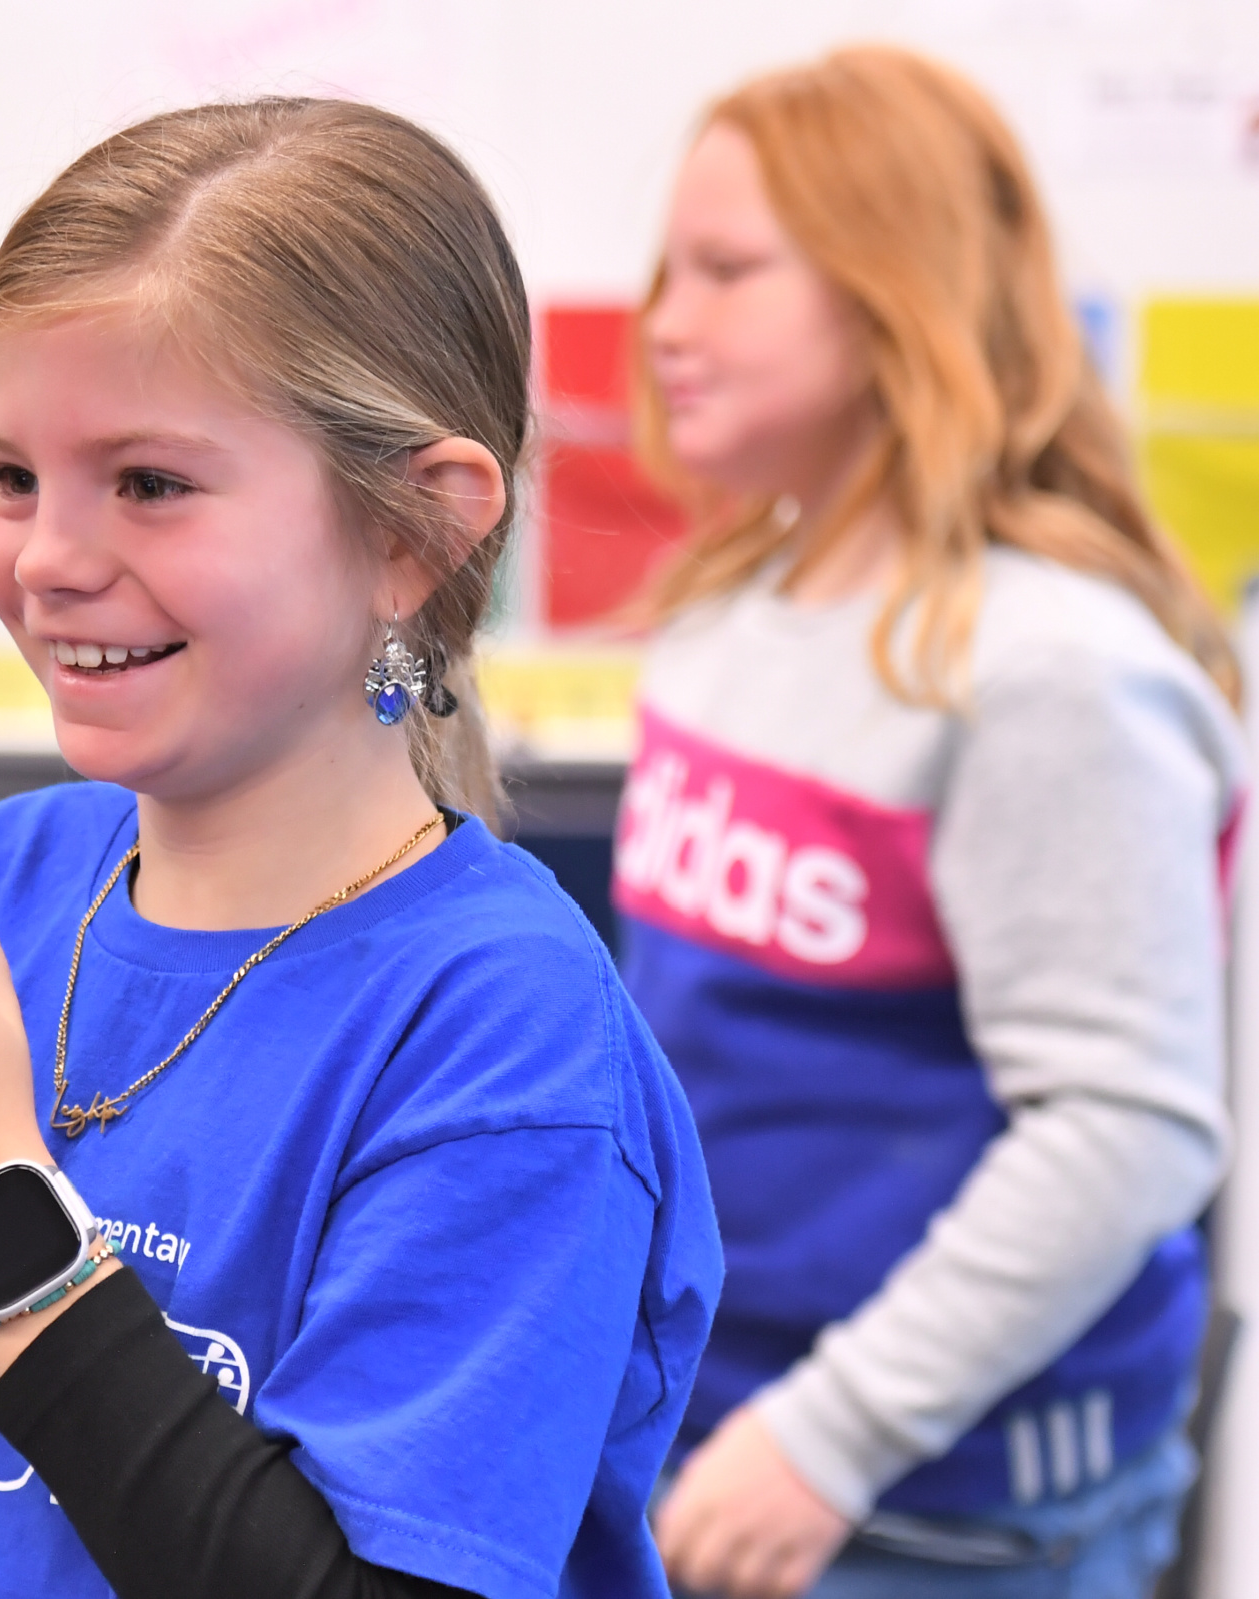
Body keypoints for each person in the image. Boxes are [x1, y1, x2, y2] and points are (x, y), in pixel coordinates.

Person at [0, 98, 721, 1599]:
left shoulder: (504, 1035)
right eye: (12, 476)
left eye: (149, 483)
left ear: (413, 532)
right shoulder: (0, 883)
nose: (48, 557)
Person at [618, 47, 1244, 1599]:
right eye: (667, 270)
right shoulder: (722, 617)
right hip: (711, 1426)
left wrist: (831, 1434)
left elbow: (1125, 1126)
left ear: (896, 292)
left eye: (727, 272)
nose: (664, 321)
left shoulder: (1048, 672)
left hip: (935, 1502)